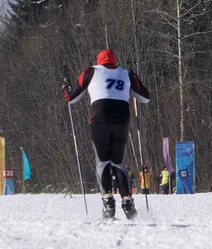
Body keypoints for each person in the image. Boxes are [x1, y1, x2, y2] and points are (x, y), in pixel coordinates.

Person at [62, 49, 150, 219]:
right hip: (121, 121)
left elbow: (71, 99)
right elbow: (145, 98)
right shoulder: (125, 74)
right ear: (115, 61)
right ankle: (127, 202)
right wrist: (136, 78)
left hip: (99, 120)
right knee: (118, 162)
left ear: (99, 60)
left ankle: (108, 201)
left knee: (102, 161)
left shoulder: (91, 71)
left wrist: (66, 88)